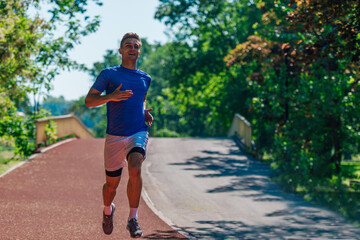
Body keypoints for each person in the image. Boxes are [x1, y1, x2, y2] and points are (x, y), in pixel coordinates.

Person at [85, 32, 153, 238]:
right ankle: (108, 210)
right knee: (111, 186)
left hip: (137, 131)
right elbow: (89, 101)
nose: (132, 48)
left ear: (139, 51)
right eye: (128, 45)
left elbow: (141, 101)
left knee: (135, 166)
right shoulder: (109, 74)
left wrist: (144, 112)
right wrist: (111, 96)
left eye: (136, 45)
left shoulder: (145, 78)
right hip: (114, 136)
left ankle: (133, 219)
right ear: (120, 51)